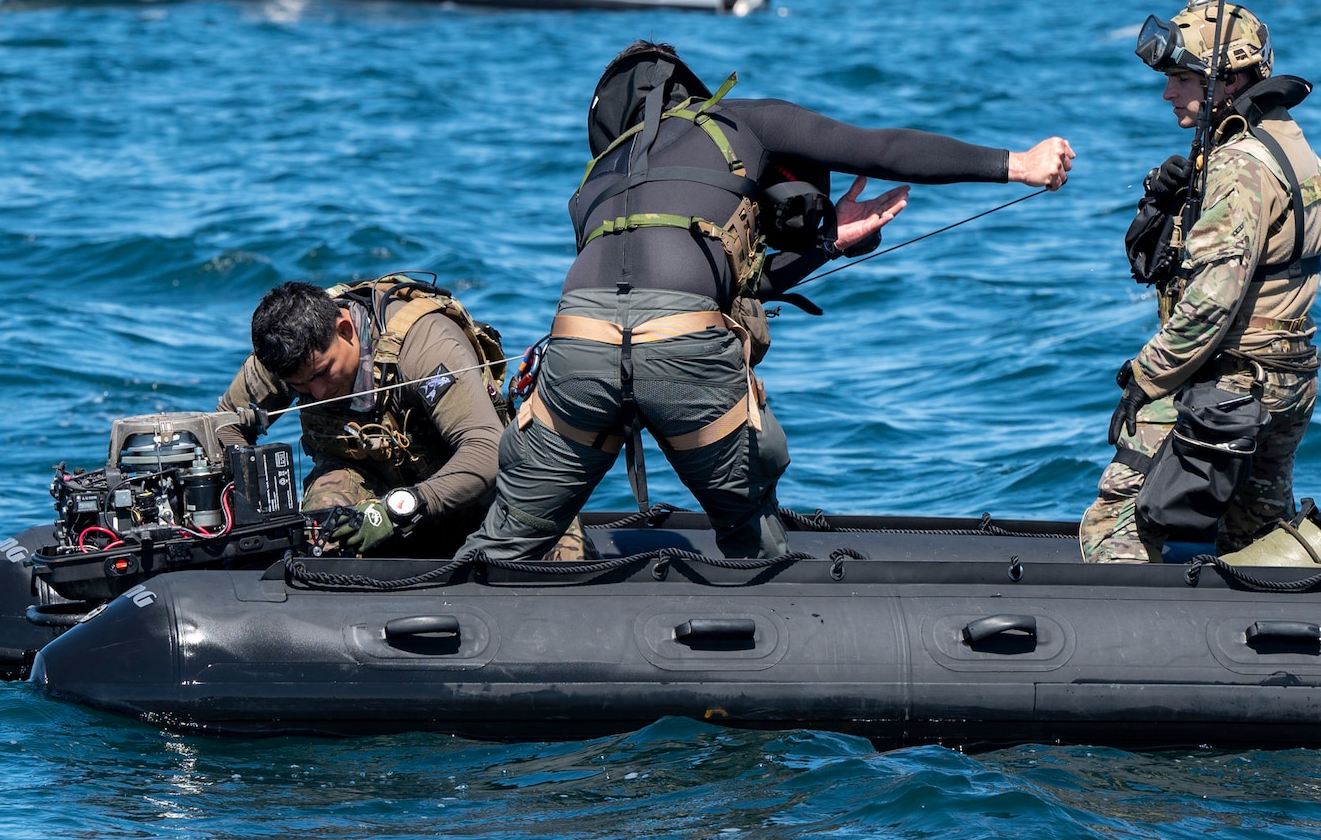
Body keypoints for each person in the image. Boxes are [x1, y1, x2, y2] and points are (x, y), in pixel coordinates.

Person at [461, 40, 1075, 562]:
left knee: (507, 544)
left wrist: (831, 241)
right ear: (689, 92)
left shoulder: (596, 178)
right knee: (752, 538)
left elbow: (661, 289)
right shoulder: (740, 120)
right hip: (684, 348)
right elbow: (878, 150)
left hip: (576, 350)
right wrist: (1016, 164)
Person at [1081, 0, 1321, 564]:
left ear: (1228, 78)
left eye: (1182, 79)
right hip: (1287, 378)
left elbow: (1212, 302)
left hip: (1231, 382)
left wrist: (1144, 378)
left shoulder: (1237, 164)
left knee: (1113, 529)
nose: (1168, 92)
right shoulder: (1284, 141)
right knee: (1253, 537)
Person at [216, 276, 511, 557]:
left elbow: (487, 450)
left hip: (461, 490)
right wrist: (253, 516)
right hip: (360, 478)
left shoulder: (425, 348)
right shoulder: (284, 352)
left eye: (323, 373)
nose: (317, 392)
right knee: (322, 529)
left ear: (345, 330)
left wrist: (399, 508)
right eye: (300, 386)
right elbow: (226, 425)